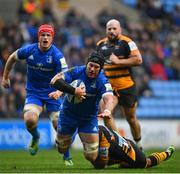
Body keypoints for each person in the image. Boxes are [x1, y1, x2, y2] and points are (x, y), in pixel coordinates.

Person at [1, 24, 73, 165]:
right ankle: (35, 137)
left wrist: (59, 92)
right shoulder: (30, 50)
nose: (45, 37)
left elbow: (65, 77)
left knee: (59, 126)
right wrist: (5, 77)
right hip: (34, 93)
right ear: (38, 36)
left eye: (48, 35)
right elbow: (11, 58)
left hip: (53, 93)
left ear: (52, 38)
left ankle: (67, 155)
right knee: (30, 120)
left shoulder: (58, 56)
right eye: (43, 35)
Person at [50, 51, 114, 164]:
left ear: (101, 69)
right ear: (87, 63)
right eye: (90, 65)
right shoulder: (76, 71)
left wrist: (107, 110)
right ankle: (72, 134)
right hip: (68, 115)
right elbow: (54, 81)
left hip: (88, 119)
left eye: (96, 67)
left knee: (91, 156)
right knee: (61, 149)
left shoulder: (102, 80)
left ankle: (107, 153)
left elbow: (109, 98)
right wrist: (74, 91)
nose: (92, 69)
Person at [96, 19, 143, 148]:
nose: (111, 31)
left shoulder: (128, 43)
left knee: (131, 119)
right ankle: (120, 145)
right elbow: (97, 65)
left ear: (120, 29)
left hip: (126, 87)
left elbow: (138, 60)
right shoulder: (100, 44)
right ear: (106, 30)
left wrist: (118, 61)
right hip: (109, 88)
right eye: (109, 29)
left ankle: (139, 145)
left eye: (114, 28)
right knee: (106, 113)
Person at [92, 125, 175, 169]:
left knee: (146, 162)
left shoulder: (104, 139)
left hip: (131, 152)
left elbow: (102, 165)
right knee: (124, 165)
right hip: (123, 144)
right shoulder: (100, 128)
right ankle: (123, 161)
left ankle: (166, 153)